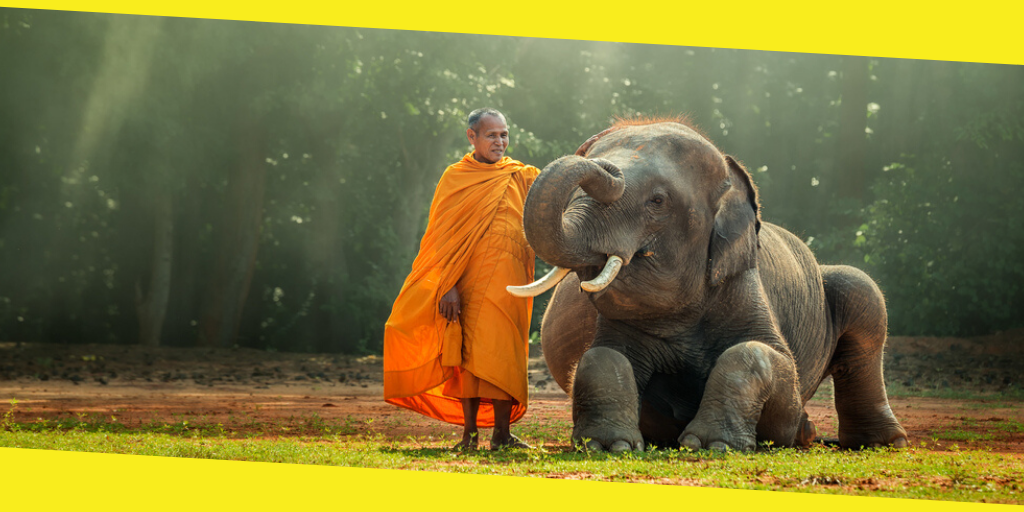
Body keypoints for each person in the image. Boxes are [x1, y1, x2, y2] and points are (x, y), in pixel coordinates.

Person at [383, 108, 540, 450]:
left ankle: (502, 434)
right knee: (468, 358)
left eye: (504, 134)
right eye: (491, 135)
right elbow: (441, 238)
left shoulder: (521, 175)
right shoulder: (455, 177)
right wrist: (448, 285)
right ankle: (469, 434)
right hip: (466, 284)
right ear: (471, 137)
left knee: (505, 353)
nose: (499, 141)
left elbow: (555, 193)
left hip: (511, 282)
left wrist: (585, 158)